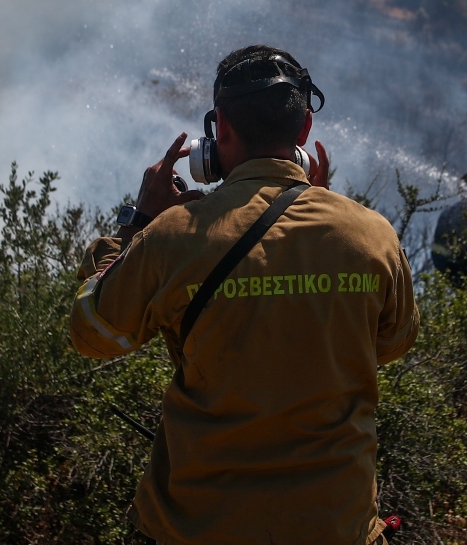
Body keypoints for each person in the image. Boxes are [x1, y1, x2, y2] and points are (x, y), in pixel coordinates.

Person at [69, 45, 419, 544]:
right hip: (335, 528)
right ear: (303, 132)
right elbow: (392, 343)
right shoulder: (372, 234)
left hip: (197, 529)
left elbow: (94, 332)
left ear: (221, 129)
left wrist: (138, 225)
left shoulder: (172, 235)